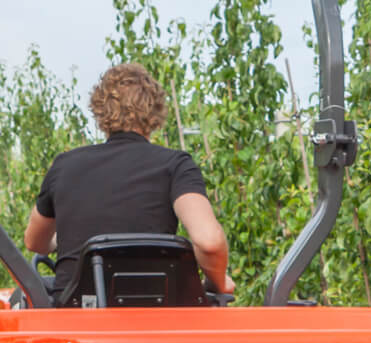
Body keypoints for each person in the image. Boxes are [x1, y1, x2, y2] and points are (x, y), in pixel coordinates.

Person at [23, 63, 233, 304]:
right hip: (155, 318)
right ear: (155, 111)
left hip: (77, 319)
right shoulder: (174, 165)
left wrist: (69, 237)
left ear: (100, 110)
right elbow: (210, 242)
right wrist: (219, 282)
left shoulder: (65, 165)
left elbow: (34, 241)